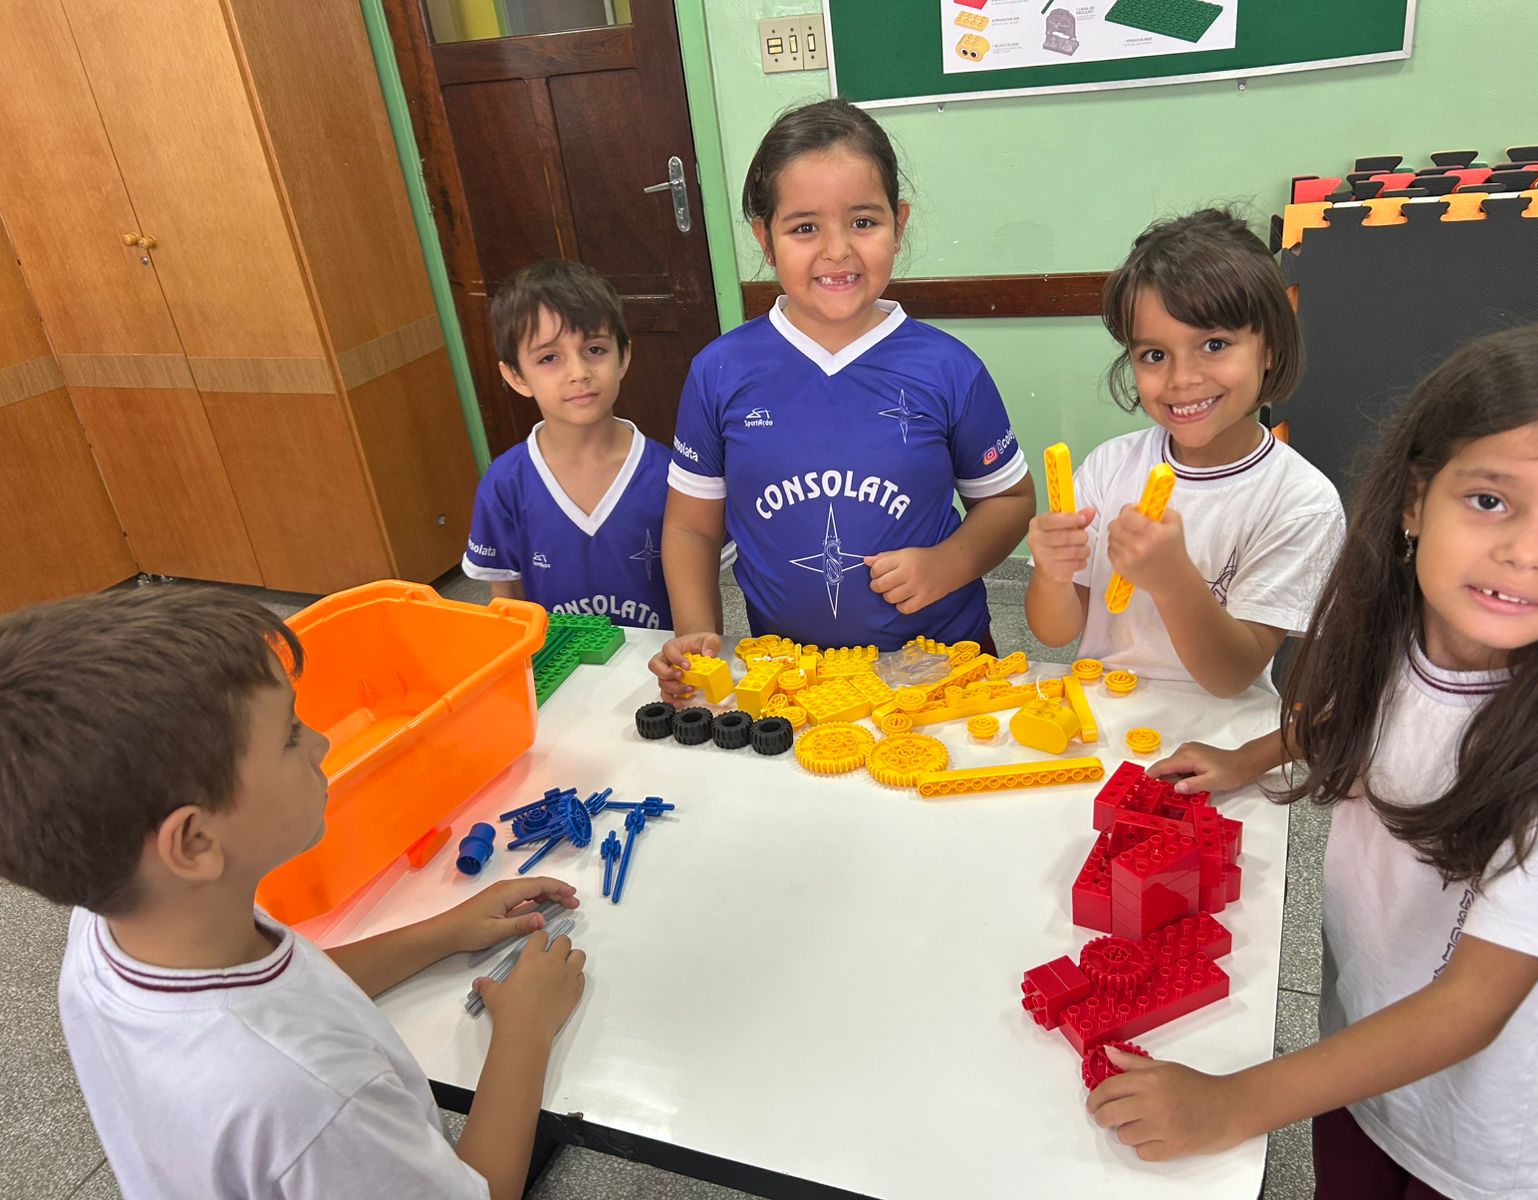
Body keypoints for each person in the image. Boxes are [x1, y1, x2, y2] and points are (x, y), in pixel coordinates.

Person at [1093, 325, 1538, 1200]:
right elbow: (1355, 716)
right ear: (1415, 502)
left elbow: (1469, 1009)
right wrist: (1251, 755)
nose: (1527, 552)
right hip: (1358, 1052)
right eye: (1490, 500)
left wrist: (1234, 1104)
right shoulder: (1404, 636)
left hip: (1485, 1126)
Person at [0, 588, 586, 1200]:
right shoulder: (313, 1098)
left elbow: (291, 988)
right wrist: (524, 1031)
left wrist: (441, 933)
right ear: (195, 841)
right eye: (289, 735)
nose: (321, 743)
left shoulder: (123, 918)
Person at [650, 99, 1034, 698]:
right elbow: (691, 528)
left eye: (863, 222)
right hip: (791, 678)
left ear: (898, 224)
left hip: (941, 668)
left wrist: (950, 563)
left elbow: (1010, 499)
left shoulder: (949, 368)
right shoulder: (720, 371)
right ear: (765, 238)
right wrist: (698, 631)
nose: (837, 251)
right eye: (805, 228)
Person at [1025, 209, 1344, 695]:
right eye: (1154, 355)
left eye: (1214, 344)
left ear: (1270, 349)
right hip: (1106, 707)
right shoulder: (1109, 467)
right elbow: (1055, 632)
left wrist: (1173, 579)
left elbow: (1231, 677)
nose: (1182, 378)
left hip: (1222, 724)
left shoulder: (1301, 501)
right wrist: (1052, 574)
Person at [464, 259, 690, 630]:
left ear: (623, 356)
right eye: (549, 357)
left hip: (660, 666)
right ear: (516, 376)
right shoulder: (504, 484)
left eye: (595, 350)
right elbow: (507, 611)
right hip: (556, 666)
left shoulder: (672, 476)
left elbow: (698, 607)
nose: (579, 373)